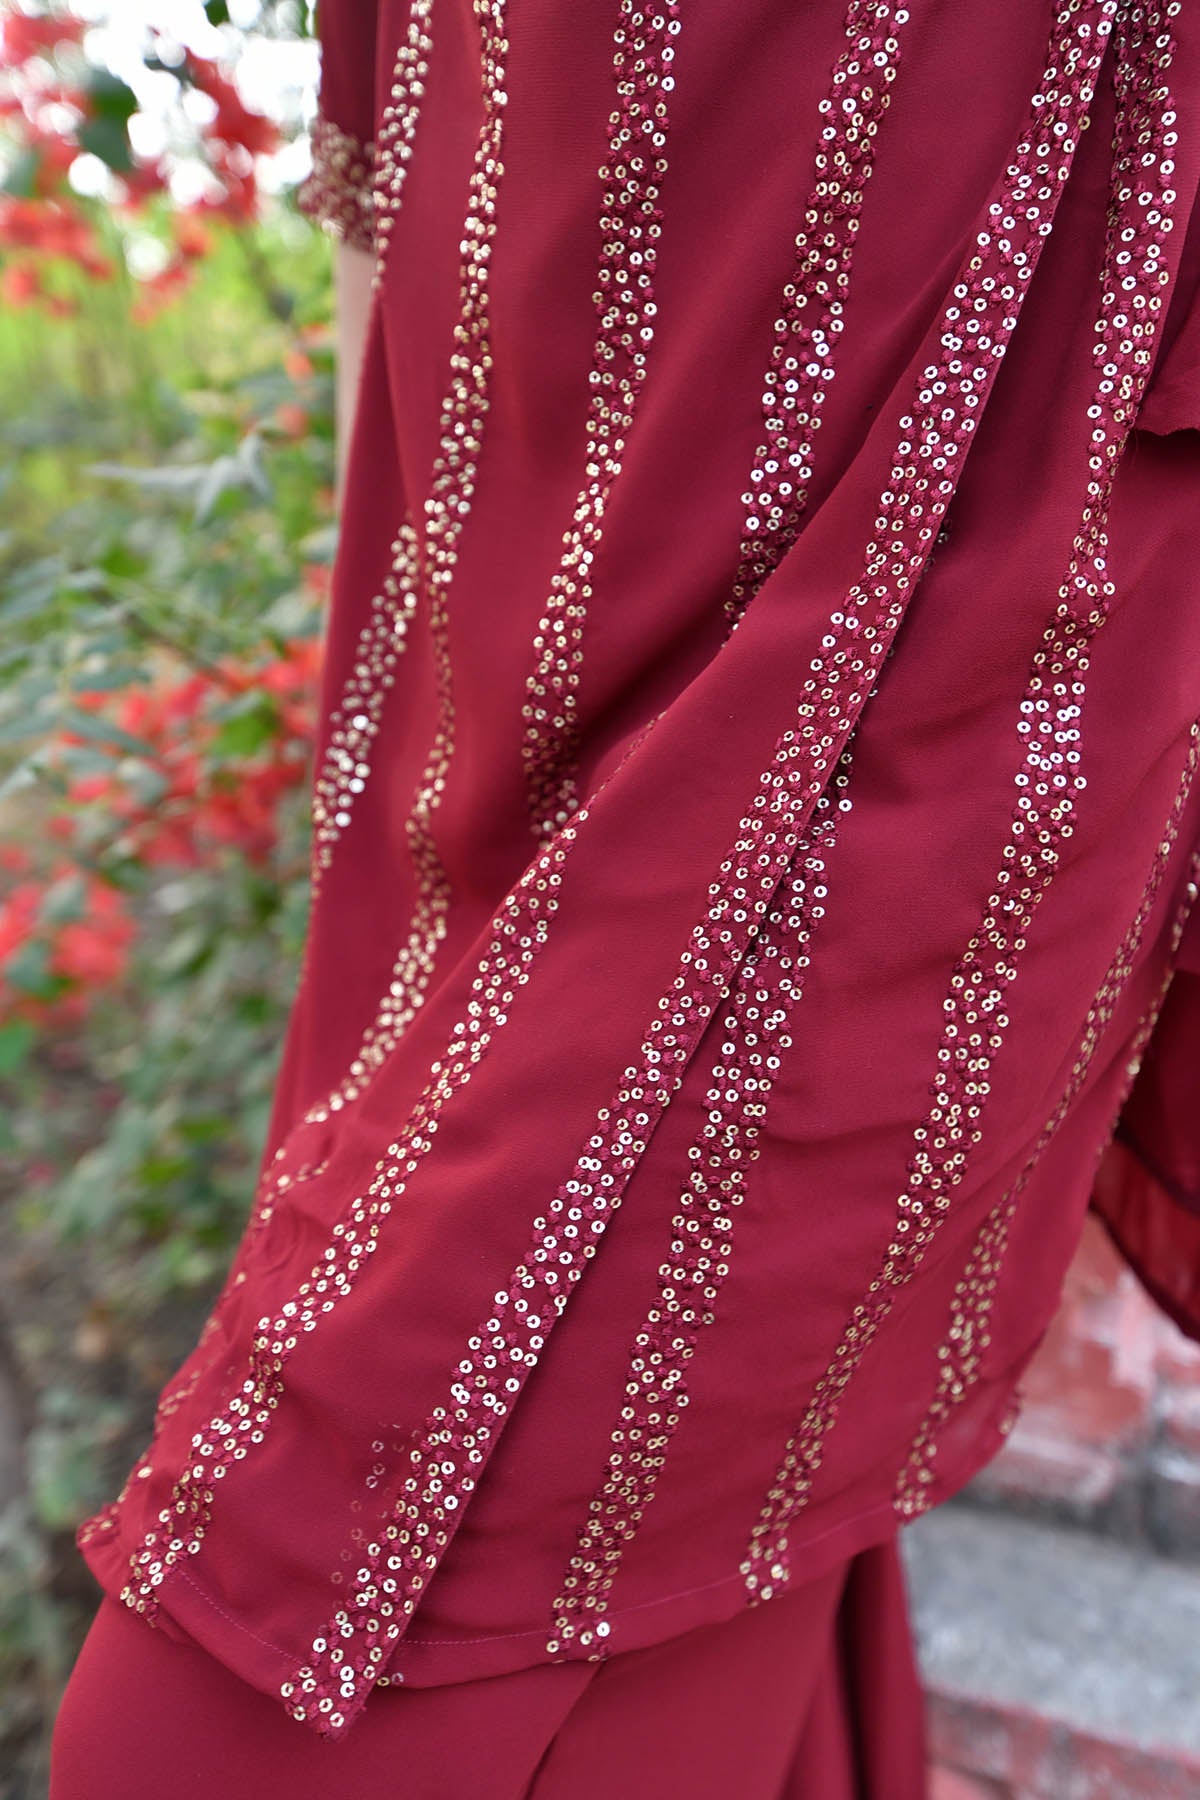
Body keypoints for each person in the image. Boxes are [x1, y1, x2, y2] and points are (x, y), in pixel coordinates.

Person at [50, 0, 1200, 1793]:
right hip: (484, 751)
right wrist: (407, 804)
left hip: (922, 695)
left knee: (223, 1729)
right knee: (693, 1595)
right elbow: (400, 242)